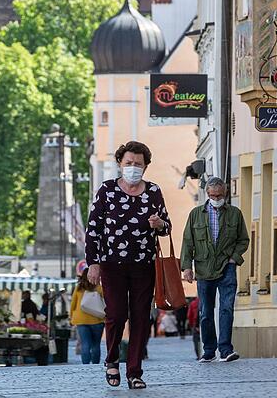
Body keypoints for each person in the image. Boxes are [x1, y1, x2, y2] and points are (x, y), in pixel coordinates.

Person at [85, 141, 171, 390]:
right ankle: (112, 360)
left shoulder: (153, 191)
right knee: (116, 314)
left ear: (145, 166)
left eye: (138, 164)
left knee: (142, 318)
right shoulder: (107, 190)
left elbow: (167, 227)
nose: (133, 167)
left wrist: (159, 225)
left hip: (143, 264)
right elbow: (93, 230)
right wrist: (93, 263)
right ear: (120, 164)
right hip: (112, 264)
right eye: (129, 163)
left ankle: (134, 371)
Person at [181, 177, 249, 363]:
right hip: (203, 268)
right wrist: (187, 267)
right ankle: (209, 350)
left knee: (226, 308)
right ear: (207, 194)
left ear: (225, 194)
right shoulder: (196, 214)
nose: (216, 198)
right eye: (212, 195)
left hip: (227, 267)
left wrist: (234, 258)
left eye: (219, 195)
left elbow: (243, 239)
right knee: (205, 311)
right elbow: (188, 241)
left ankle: (226, 349)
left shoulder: (235, 214)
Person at [69, 267, 105, 364]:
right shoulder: (99, 288)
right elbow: (106, 303)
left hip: (81, 320)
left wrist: (71, 317)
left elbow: (73, 303)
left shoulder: (79, 288)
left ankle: (85, 365)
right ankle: (95, 364)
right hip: (97, 319)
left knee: (85, 344)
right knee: (96, 345)